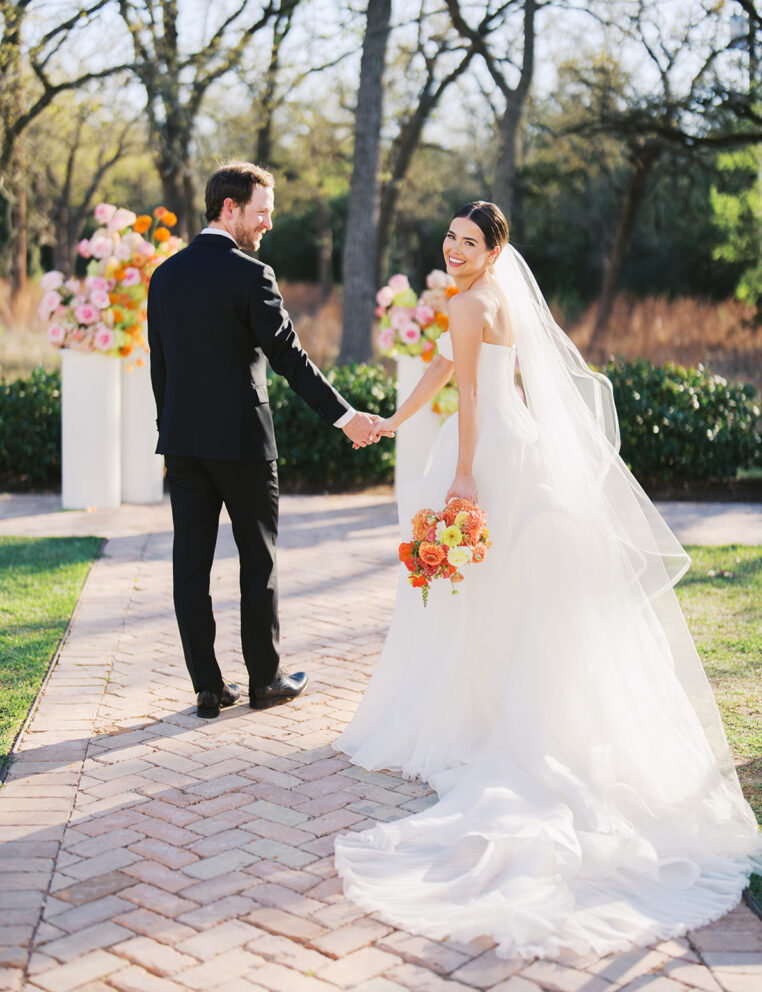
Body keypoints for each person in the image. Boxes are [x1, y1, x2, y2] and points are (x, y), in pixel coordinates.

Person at [334, 201, 762, 960]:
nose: (455, 249)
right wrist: (397, 421)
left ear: (495, 250)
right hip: (520, 445)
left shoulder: (471, 301)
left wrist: (463, 475)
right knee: (507, 592)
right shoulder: (488, 300)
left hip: (487, 458)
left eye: (469, 242)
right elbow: (450, 365)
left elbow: (469, 396)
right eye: (451, 239)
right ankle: (501, 701)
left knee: (477, 589)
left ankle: (481, 715)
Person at [147, 161, 378, 719]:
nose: (267, 224)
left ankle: (206, 686)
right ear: (230, 208)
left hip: (182, 443)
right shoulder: (252, 275)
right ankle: (264, 680)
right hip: (244, 446)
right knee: (259, 561)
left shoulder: (165, 276)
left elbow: (162, 366)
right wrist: (344, 416)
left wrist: (169, 426)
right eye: (262, 213)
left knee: (190, 565)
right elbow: (290, 360)